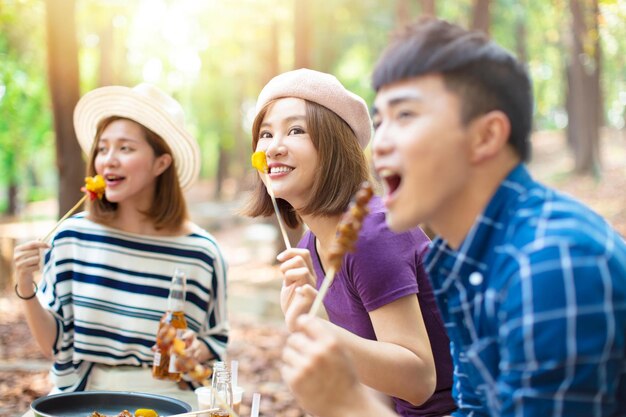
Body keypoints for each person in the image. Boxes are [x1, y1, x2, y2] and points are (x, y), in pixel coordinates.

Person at [281, 18, 626, 417]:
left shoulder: (553, 263)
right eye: (381, 122)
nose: (380, 146)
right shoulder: (456, 261)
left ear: (485, 136)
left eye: (406, 116)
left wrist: (348, 406)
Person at [246, 68, 456, 416]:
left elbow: (419, 381)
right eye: (265, 134)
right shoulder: (310, 247)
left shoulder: (373, 234)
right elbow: (375, 391)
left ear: (333, 148)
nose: (274, 147)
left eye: (296, 130)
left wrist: (318, 331)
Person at [13, 83, 228, 406]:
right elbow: (52, 346)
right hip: (83, 395)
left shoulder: (202, 252)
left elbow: (216, 345)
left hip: (172, 398)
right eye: (102, 149)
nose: (107, 161)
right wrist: (24, 284)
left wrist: (197, 349)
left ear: (161, 163)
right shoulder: (69, 238)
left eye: (125, 149)